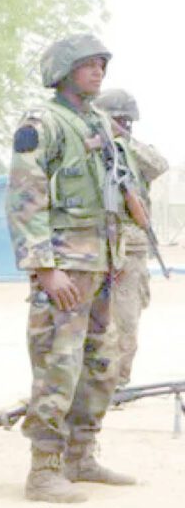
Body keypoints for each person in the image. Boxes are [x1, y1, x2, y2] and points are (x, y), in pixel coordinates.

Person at [6, 33, 131, 503]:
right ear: (62, 71)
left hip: (100, 262)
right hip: (65, 263)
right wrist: (44, 268)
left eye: (102, 63)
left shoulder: (97, 121)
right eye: (87, 64)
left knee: (101, 364)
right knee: (58, 365)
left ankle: (81, 455)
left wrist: (114, 257)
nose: (98, 71)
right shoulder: (43, 123)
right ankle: (44, 469)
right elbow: (24, 196)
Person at [92, 88, 169, 389]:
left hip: (131, 247)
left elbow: (158, 165)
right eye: (119, 120)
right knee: (94, 321)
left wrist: (121, 138)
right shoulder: (89, 146)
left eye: (127, 121)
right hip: (94, 244)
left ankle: (118, 383)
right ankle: (96, 385)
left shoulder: (132, 150)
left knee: (125, 320)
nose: (125, 124)